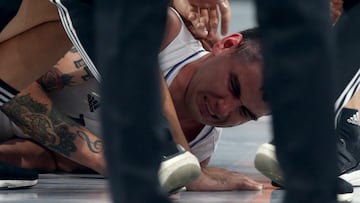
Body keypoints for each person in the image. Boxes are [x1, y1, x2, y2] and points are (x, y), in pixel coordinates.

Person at [0, 6, 266, 192]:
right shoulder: (163, 33)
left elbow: (52, 159)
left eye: (245, 113)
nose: (224, 108)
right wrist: (104, 158)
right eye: (233, 86)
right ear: (227, 44)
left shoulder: (201, 147)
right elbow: (18, 75)